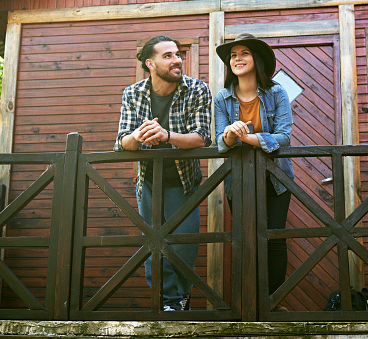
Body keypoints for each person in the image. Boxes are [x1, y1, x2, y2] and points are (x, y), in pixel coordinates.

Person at [114, 35, 212, 311]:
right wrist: (139, 135)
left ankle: (180, 300)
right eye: (167, 56)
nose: (177, 60)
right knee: (153, 246)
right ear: (150, 63)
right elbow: (122, 142)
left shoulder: (197, 89)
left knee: (184, 246)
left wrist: (166, 135)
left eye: (178, 54)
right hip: (148, 182)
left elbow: (202, 137)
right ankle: (167, 302)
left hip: (185, 183)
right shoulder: (132, 93)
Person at [214, 33, 294, 312]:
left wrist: (246, 137)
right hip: (239, 179)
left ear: (256, 59)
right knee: (245, 239)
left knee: (273, 237)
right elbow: (219, 143)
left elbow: (284, 137)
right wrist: (228, 134)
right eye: (233, 55)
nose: (237, 59)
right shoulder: (222, 98)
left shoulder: (277, 92)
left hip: (276, 177)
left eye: (244, 53)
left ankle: (273, 301)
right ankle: (249, 301)